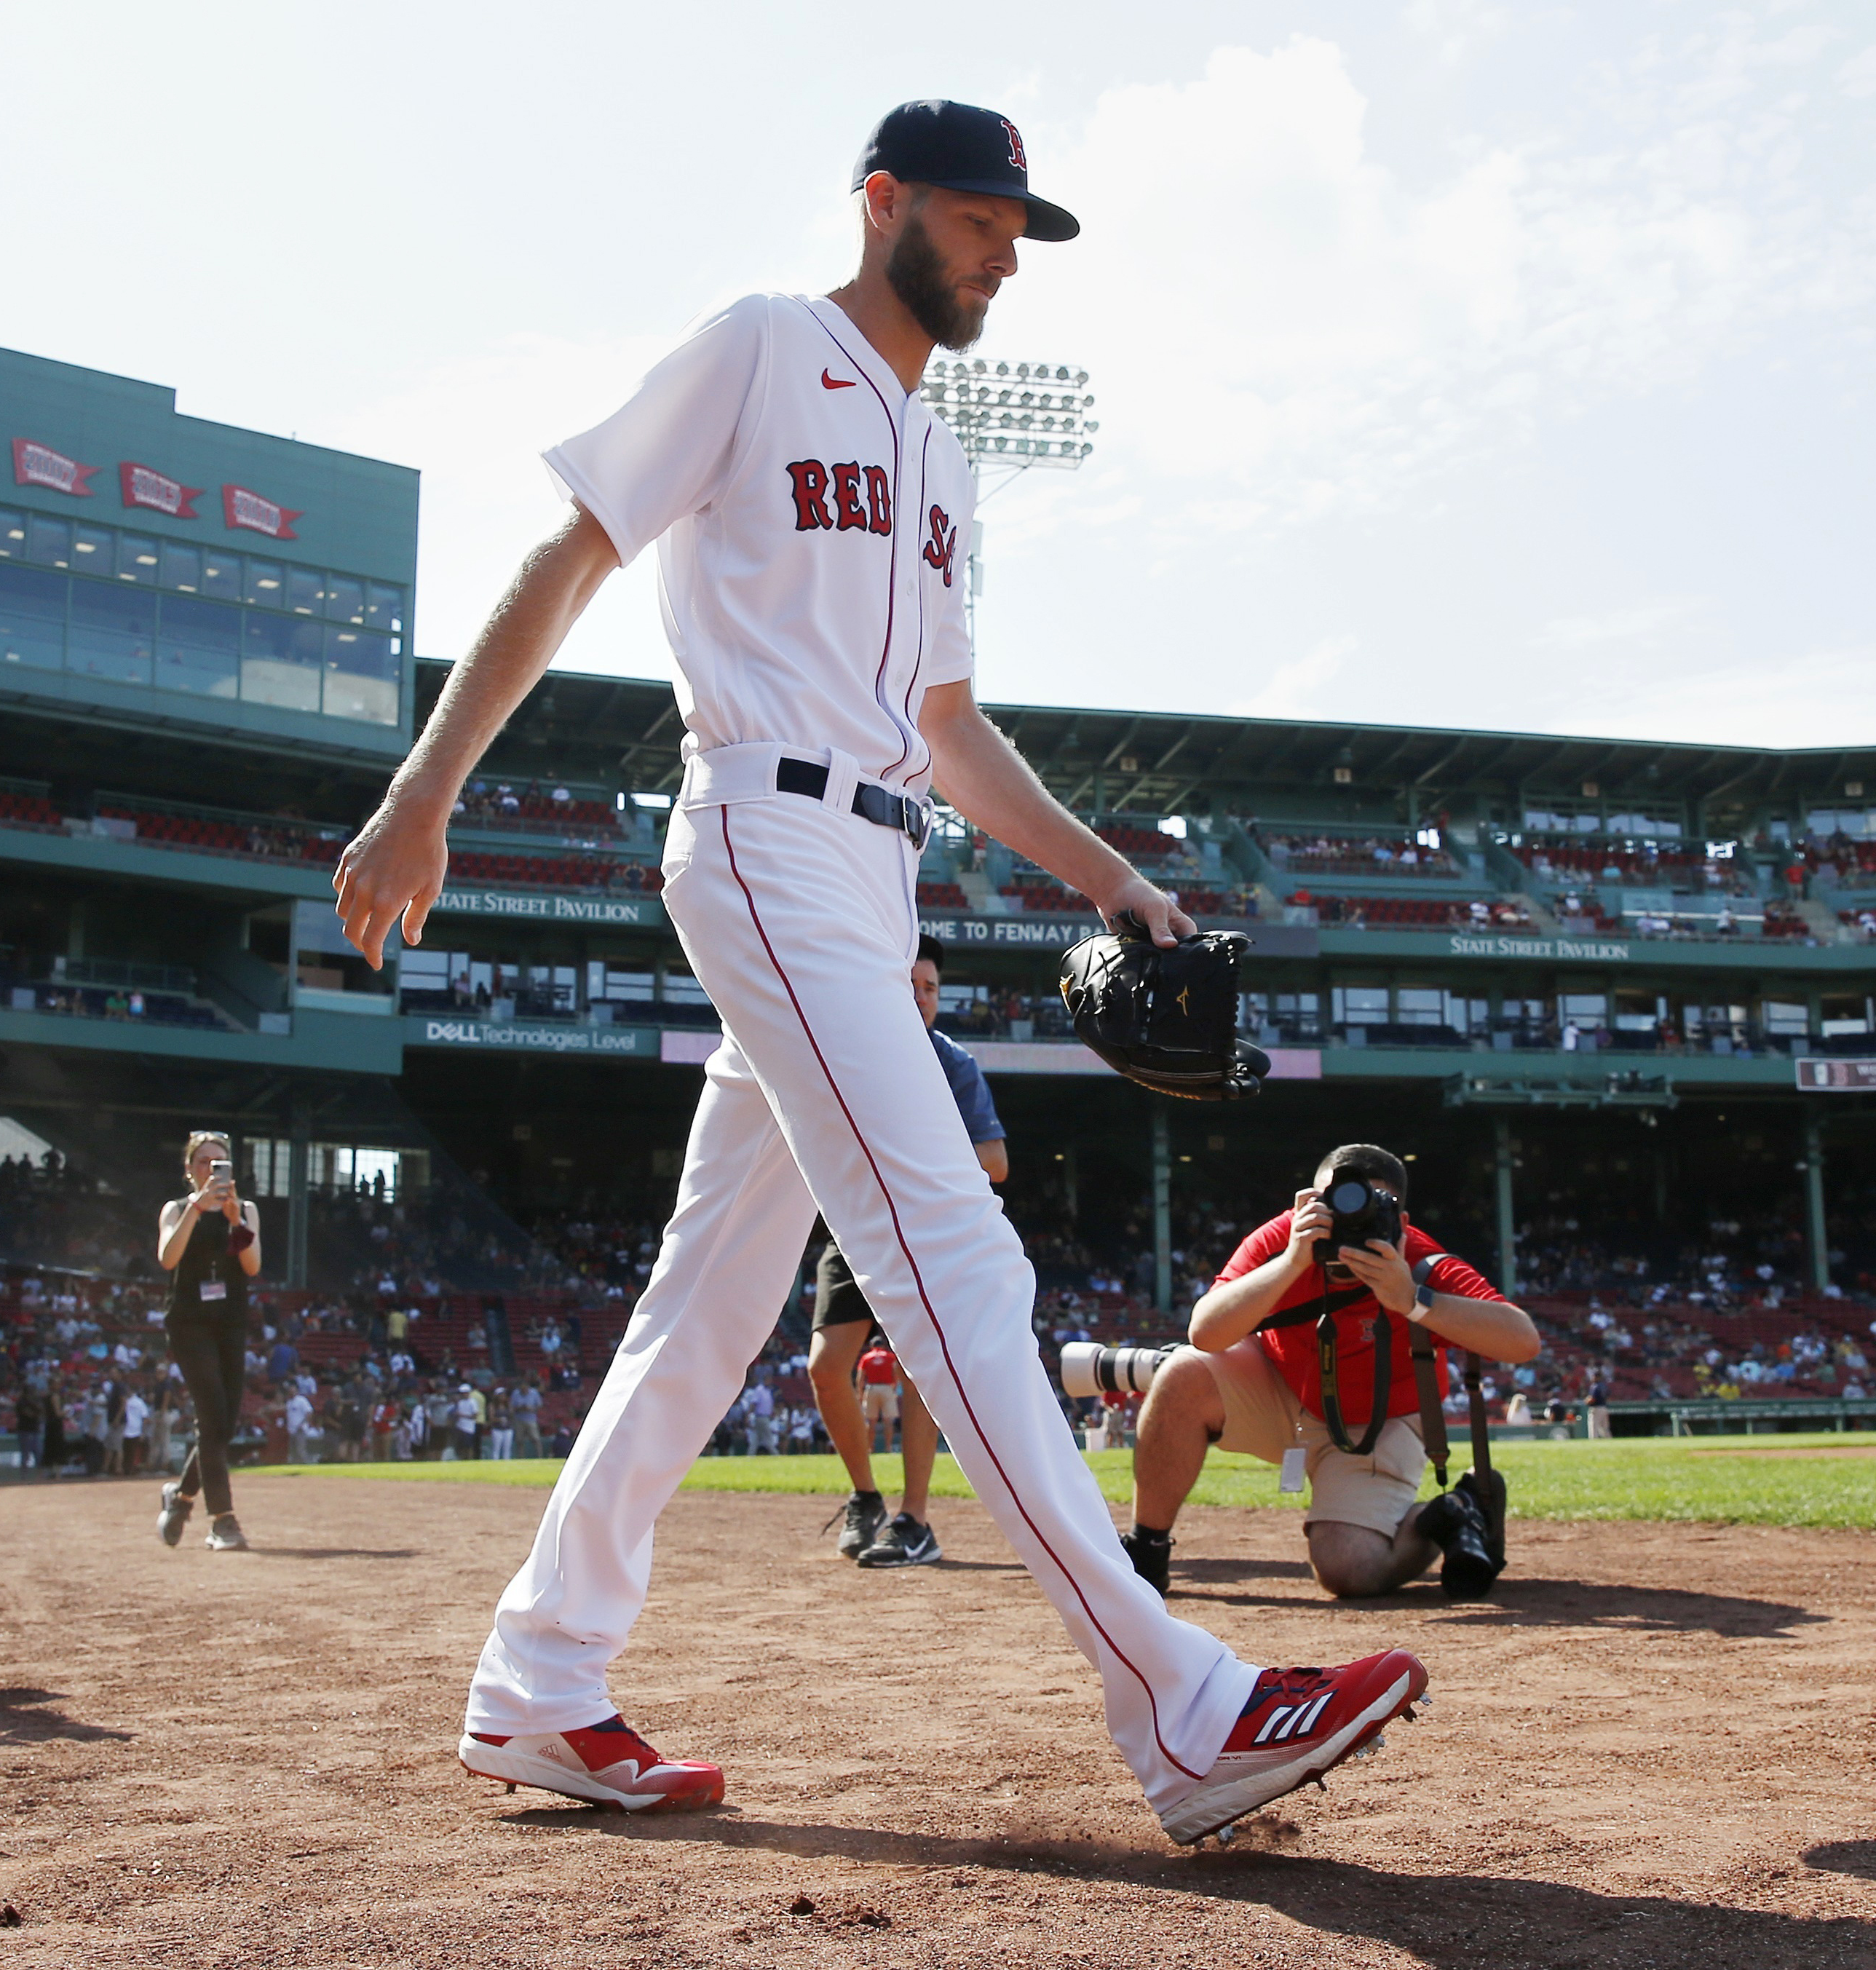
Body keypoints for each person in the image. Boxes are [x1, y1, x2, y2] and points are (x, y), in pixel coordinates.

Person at [332, 100, 1427, 1846]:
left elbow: (945, 728)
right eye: (982, 215)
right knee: (952, 1260)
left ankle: (539, 1675)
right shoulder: (763, 348)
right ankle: (1180, 1700)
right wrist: (423, 791)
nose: (1004, 248)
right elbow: (574, 548)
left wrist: (1119, 878)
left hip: (869, 864)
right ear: (882, 202)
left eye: (1017, 225)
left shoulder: (942, 462)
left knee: (701, 1310)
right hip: (760, 831)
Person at [1122, 1144, 1540, 1602]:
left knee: (1350, 1571)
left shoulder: (1420, 1260)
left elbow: (1522, 1341)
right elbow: (1204, 1333)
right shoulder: (1285, 1239)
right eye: (1335, 1206)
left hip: (1382, 1421)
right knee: (1182, 1372)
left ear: (1401, 1221)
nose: (1349, 1226)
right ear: (1307, 1204)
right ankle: (1148, 1550)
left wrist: (1412, 1300)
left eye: (1371, 1210)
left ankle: (1450, 1512)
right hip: (1288, 1396)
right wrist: (1291, 1262)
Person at [812, 935, 1005, 1567]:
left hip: (924, 1232)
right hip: (856, 1225)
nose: (922, 998)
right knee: (824, 1366)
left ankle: (915, 1520)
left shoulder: (953, 1065)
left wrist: (912, 1148)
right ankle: (867, 1496)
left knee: (917, 1371)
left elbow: (995, 1163)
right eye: (910, 986)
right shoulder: (850, 1053)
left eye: (931, 988)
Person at [154, 1131, 261, 1552]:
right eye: (203, 1162)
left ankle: (180, 1499)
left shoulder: (246, 1210)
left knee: (223, 1425)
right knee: (212, 1416)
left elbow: (252, 1266)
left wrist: (235, 1220)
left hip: (230, 1322)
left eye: (219, 1163)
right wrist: (196, 1210)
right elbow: (168, 1257)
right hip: (189, 1324)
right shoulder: (177, 1209)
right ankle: (222, 1520)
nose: (211, 1170)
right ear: (189, 1169)